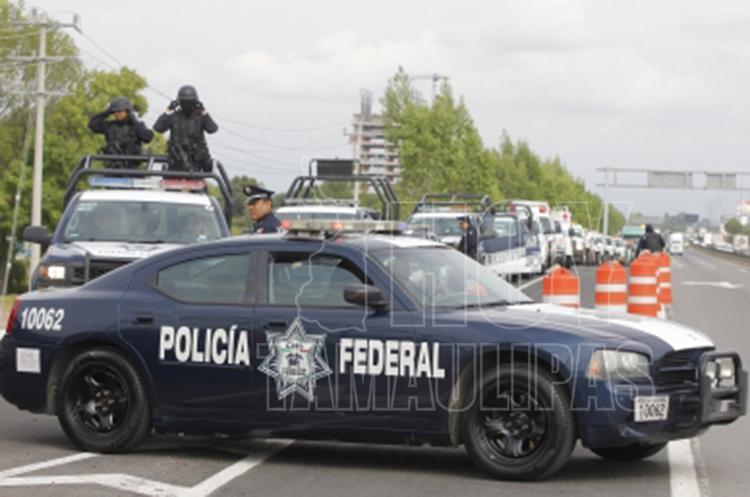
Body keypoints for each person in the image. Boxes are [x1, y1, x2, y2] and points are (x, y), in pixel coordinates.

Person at [153, 85, 218, 172]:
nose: (187, 106)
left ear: (195, 102)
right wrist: (168, 110)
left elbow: (212, 129)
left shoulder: (200, 117)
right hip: (176, 163)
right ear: (180, 102)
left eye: (190, 102)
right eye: (184, 102)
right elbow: (158, 128)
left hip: (196, 164)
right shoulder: (174, 117)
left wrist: (204, 111)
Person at [88, 96, 153, 168]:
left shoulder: (136, 126)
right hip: (112, 167)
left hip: (131, 168)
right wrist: (107, 112)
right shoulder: (110, 126)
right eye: (115, 112)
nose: (117, 114)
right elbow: (92, 125)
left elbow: (147, 137)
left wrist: (135, 121)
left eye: (120, 111)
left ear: (127, 111)